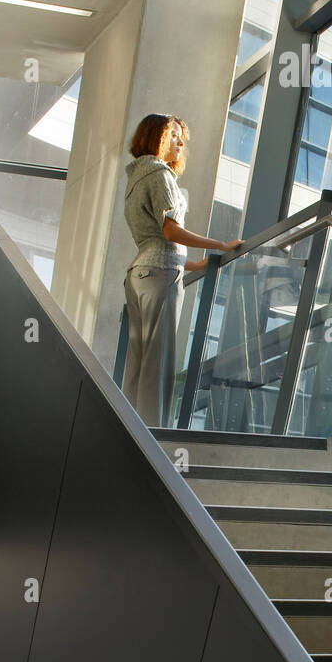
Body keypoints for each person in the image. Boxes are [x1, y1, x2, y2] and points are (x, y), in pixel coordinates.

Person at [122, 113, 240, 427]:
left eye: (181, 138)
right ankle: (153, 438)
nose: (180, 142)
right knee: (157, 365)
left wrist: (197, 265)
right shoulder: (160, 175)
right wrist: (220, 245)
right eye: (173, 134)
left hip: (138, 275)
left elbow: (155, 240)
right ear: (155, 135)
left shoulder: (134, 180)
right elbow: (171, 232)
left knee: (137, 362)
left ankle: (128, 429)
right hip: (159, 276)